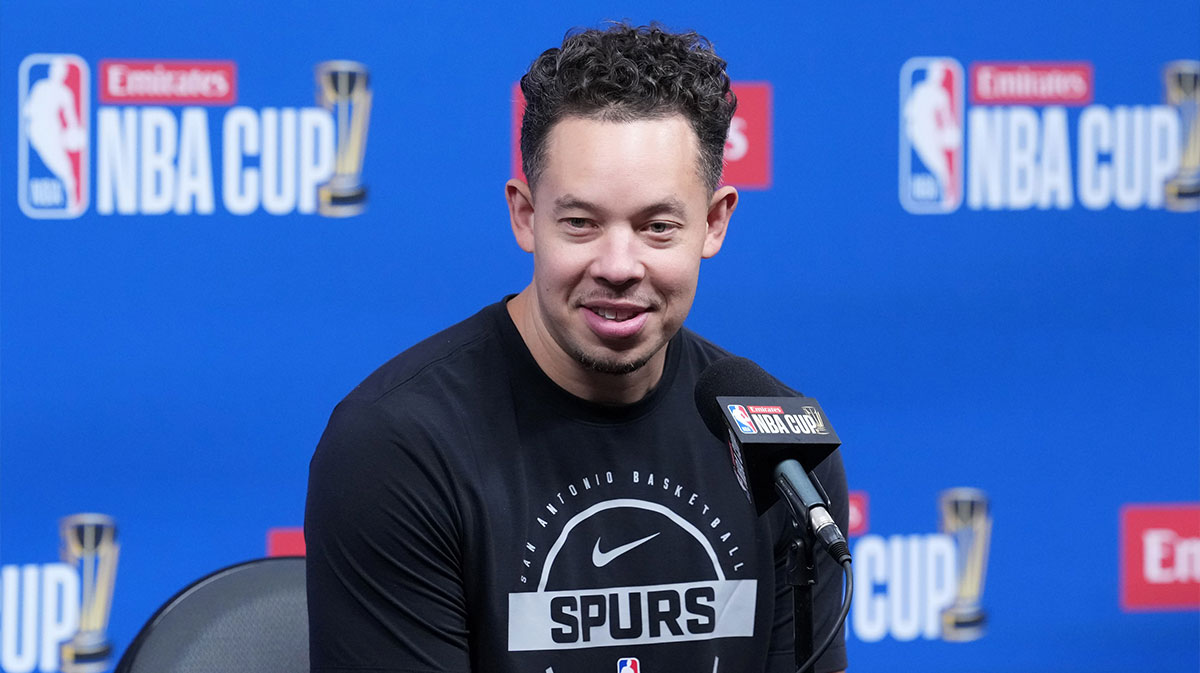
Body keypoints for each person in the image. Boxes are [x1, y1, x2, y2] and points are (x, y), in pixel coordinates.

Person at [306, 23, 849, 673]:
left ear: (714, 222)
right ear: (525, 215)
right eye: (582, 222)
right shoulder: (396, 447)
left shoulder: (783, 453)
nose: (619, 265)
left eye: (657, 226)